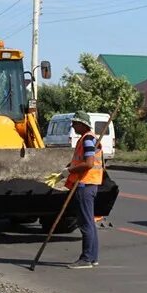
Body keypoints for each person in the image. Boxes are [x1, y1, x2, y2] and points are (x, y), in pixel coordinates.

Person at [61, 111, 104, 269]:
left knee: (86, 223)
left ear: (82, 124)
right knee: (90, 223)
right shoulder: (87, 139)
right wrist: (68, 168)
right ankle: (92, 257)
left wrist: (70, 171)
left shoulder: (87, 139)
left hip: (85, 184)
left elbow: (89, 163)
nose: (73, 126)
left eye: (75, 123)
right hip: (88, 184)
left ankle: (86, 258)